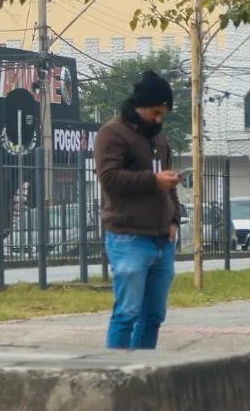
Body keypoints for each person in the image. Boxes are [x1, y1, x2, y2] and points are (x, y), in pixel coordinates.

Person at [95, 70, 182, 350]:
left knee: (154, 315)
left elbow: (168, 185)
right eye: (155, 112)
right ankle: (115, 375)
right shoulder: (112, 134)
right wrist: (153, 181)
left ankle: (144, 369)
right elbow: (110, 178)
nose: (159, 119)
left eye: (163, 114)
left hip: (161, 238)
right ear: (139, 105)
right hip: (129, 236)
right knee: (127, 313)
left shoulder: (160, 140)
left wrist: (174, 219)